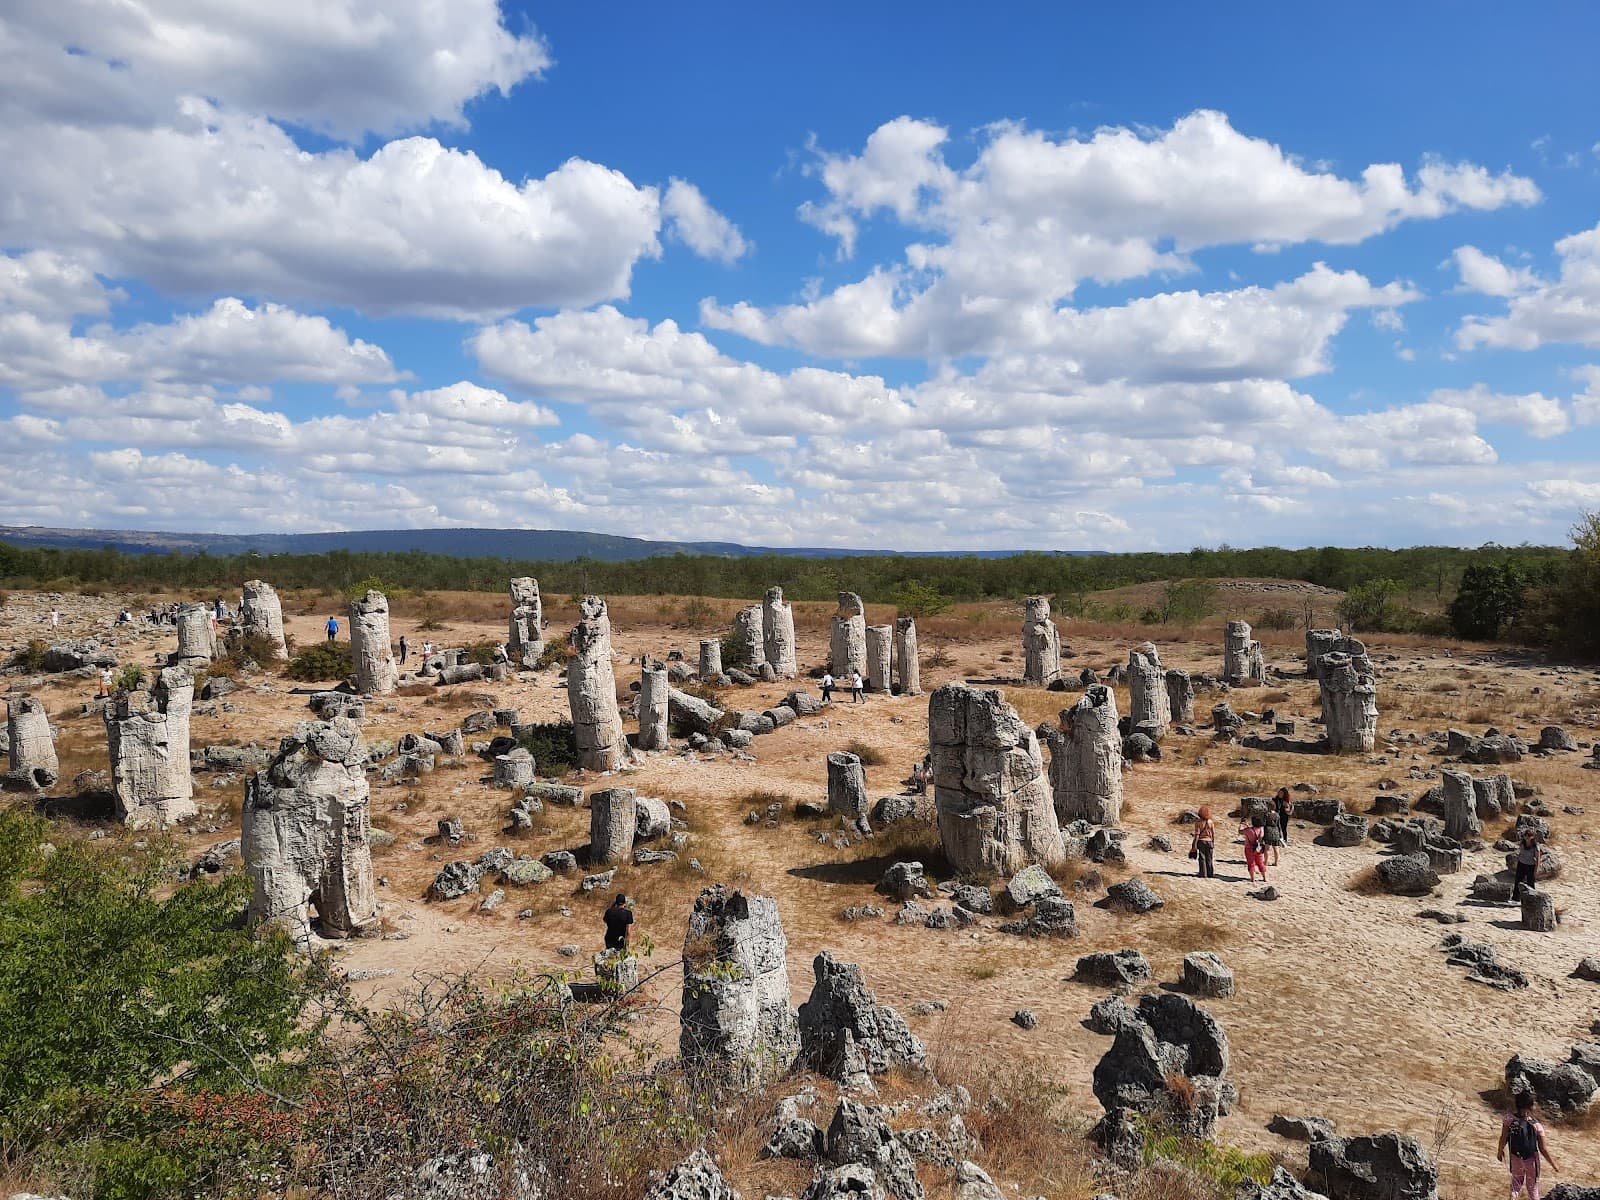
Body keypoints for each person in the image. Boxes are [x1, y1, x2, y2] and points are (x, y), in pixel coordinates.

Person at [1498, 1092, 1558, 1198]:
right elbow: (1543, 1149)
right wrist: (1553, 1164)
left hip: (1515, 1156)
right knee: (1532, 1187)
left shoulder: (1509, 1119)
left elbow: (1503, 1137)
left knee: (1516, 1181)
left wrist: (1500, 1151)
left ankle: (1513, 1196)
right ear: (1531, 1106)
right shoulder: (1537, 1126)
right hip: (1531, 1160)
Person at [1513, 826, 1542, 901]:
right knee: (1518, 881)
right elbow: (1520, 853)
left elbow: (1538, 859)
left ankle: (1532, 898)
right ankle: (1516, 898)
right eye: (1526, 835)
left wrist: (1536, 869)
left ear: (1532, 837)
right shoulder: (1522, 844)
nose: (1527, 837)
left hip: (1530, 866)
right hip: (1521, 864)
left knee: (1530, 883)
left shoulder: (1535, 847)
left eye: (1529, 835)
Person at [1241, 813, 1269, 883]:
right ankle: (1264, 878)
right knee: (1260, 863)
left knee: (1251, 863)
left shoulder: (1248, 830)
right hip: (1259, 848)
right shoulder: (1262, 829)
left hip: (1249, 848)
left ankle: (1252, 878)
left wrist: (1241, 825)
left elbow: (1240, 832)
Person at [1191, 805, 1216, 879]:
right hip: (1209, 841)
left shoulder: (1198, 822)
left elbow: (1197, 834)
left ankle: (1203, 873)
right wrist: (1213, 842)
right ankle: (1210, 874)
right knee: (1209, 858)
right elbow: (1213, 833)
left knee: (1202, 858)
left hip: (1201, 841)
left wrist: (1194, 845)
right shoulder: (1211, 822)